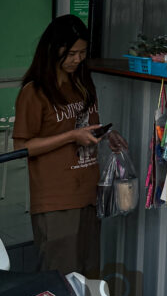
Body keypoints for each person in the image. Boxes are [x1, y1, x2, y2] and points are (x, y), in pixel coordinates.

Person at [13, 14, 127, 277]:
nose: (77, 59)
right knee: (60, 279)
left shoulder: (83, 84)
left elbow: (86, 127)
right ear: (54, 50)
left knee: (88, 276)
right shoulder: (34, 92)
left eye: (82, 53)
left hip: (88, 193)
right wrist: (70, 137)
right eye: (72, 53)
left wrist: (107, 135)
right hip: (56, 200)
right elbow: (21, 147)